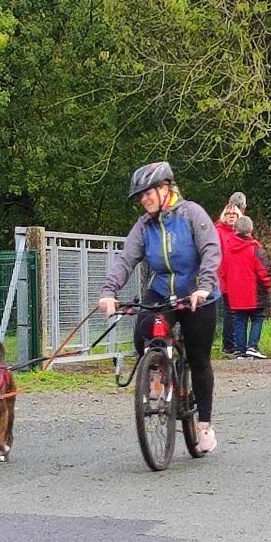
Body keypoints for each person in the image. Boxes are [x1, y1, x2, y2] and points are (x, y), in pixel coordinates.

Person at [98, 161, 221, 452]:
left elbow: (210, 250)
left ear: (166, 188)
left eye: (148, 193)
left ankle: (204, 425)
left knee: (199, 358)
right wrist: (108, 291)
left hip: (197, 293)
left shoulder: (192, 213)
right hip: (163, 289)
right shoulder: (144, 226)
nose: (144, 199)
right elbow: (126, 259)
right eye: (140, 196)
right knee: (143, 333)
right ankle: (157, 376)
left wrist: (204, 286)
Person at [220, 215, 271, 358]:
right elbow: (263, 271)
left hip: (235, 293)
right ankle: (252, 346)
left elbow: (223, 271)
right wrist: (268, 285)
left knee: (239, 321)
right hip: (254, 292)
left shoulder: (228, 249)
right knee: (257, 318)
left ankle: (240, 350)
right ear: (251, 230)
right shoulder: (255, 248)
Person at [213, 203, 240, 354]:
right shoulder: (218, 231)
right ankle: (228, 344)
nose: (231, 216)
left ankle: (233, 343)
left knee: (234, 311)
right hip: (221, 275)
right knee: (224, 311)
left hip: (235, 276)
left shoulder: (240, 232)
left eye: (234, 214)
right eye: (229, 214)